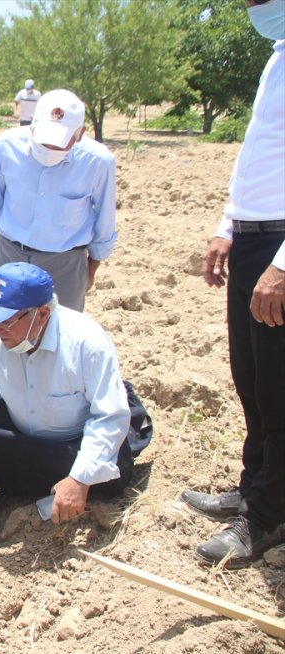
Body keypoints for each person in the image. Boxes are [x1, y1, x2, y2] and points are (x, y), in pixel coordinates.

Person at [180, 1, 285, 569]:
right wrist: (230, 226)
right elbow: (263, 159)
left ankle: (269, 518)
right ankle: (254, 488)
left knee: (279, 388)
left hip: (280, 248)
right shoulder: (278, 57)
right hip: (254, 239)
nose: (254, 8)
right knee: (251, 377)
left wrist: (284, 262)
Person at [0, 263, 134, 539]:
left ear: (42, 314)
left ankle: (66, 493)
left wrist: (80, 479)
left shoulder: (86, 343)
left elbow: (108, 417)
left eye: (6, 321)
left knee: (111, 474)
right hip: (22, 433)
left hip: (72, 443)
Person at [0, 89, 117, 312]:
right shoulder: (6, 146)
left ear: (79, 134)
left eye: (59, 142)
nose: (49, 148)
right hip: (9, 255)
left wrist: (88, 272)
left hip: (65, 265)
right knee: (2, 330)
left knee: (58, 337)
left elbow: (105, 224)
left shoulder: (98, 162)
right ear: (32, 123)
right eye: (44, 139)